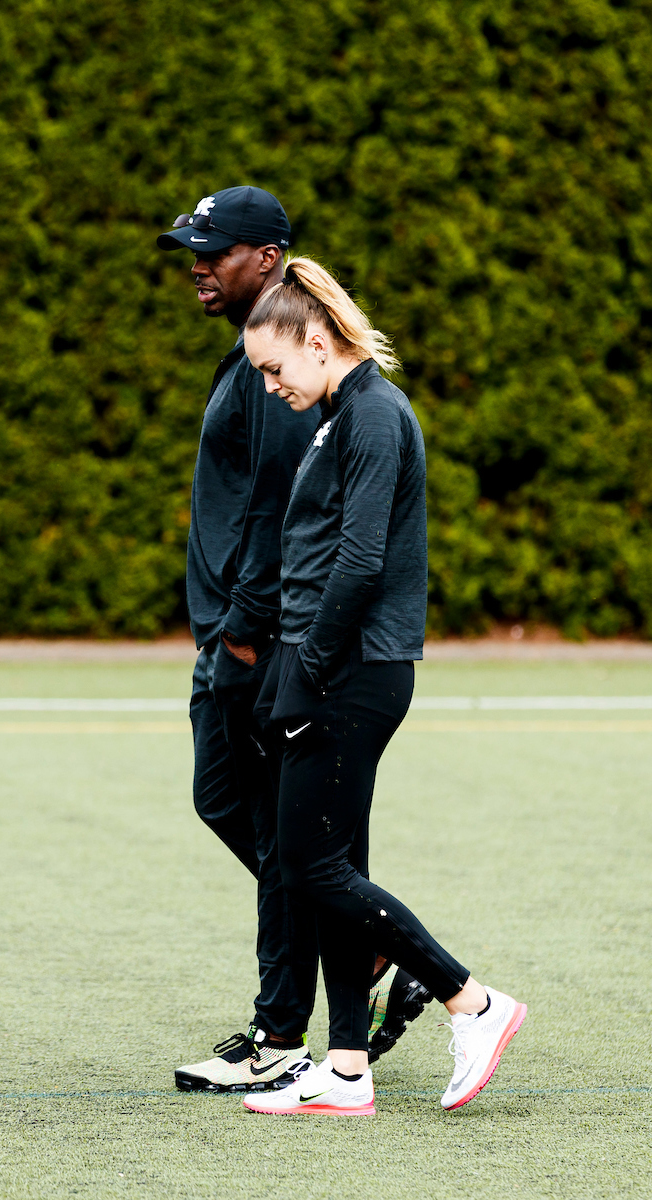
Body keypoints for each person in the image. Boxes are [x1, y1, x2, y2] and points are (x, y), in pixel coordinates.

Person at [156, 189, 431, 1093]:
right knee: (254, 819)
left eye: (215, 251)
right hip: (239, 634)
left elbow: (289, 517)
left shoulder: (292, 379)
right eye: (193, 251)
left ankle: (288, 1028)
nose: (199, 265)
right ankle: (360, 951)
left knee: (291, 841)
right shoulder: (252, 361)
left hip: (265, 638)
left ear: (268, 258)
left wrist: (246, 632)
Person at [240, 257, 527, 1115]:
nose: (271, 386)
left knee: (310, 866)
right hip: (330, 663)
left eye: (274, 368)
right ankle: (346, 1068)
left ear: (314, 339)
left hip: (353, 671)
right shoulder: (340, 414)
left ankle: (472, 1002)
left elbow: (360, 561)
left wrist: (305, 672)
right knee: (333, 866)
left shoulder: (372, 414)